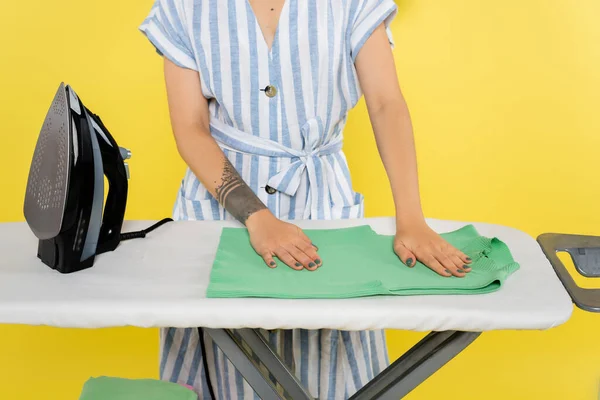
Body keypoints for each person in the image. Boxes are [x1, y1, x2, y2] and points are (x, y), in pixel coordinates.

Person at [138, 0, 473, 398]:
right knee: (229, 361)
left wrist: (412, 220)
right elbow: (191, 128)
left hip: (322, 206)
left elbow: (386, 104)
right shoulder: (184, 7)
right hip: (219, 211)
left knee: (332, 366)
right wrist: (256, 217)